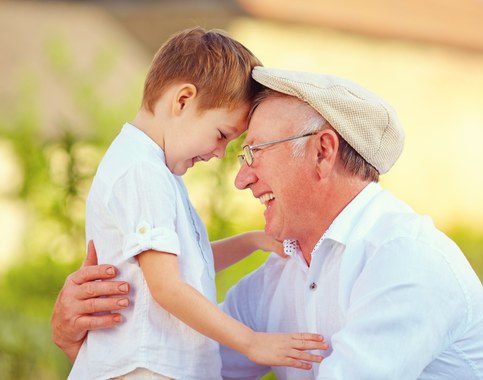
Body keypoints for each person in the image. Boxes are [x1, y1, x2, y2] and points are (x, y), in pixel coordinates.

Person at [53, 67, 483, 379]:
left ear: (322, 152)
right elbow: (189, 364)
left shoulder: (406, 260)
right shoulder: (285, 271)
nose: (241, 178)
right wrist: (87, 336)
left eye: (254, 152)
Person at [66, 30, 327, 380]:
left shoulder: (154, 168)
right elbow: (168, 287)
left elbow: (188, 266)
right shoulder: (142, 172)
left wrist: (252, 241)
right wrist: (252, 342)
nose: (219, 153)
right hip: (146, 368)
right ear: (183, 100)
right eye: (221, 135)